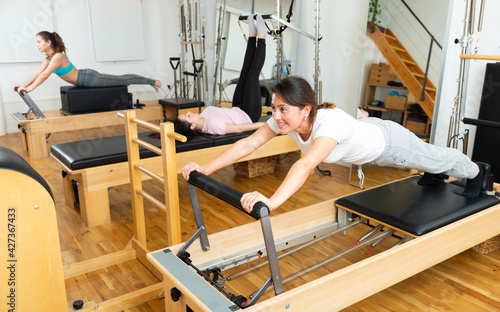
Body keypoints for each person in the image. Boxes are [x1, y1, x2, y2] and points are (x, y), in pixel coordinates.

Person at [182, 76, 485, 213]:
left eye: (282, 109)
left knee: (433, 157)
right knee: (429, 163)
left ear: (306, 109)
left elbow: (304, 165)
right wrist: (204, 169)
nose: (275, 116)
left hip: (389, 144)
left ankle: (477, 171)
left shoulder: (329, 124)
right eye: (273, 108)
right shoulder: (285, 120)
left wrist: (272, 202)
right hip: (367, 133)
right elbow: (246, 146)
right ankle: (437, 171)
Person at [174, 14, 268, 136]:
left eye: (186, 114)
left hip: (237, 108)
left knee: (244, 72)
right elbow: (240, 129)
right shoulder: (212, 126)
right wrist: (265, 124)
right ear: (192, 126)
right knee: (252, 75)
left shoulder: (202, 117)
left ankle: (252, 35)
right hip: (249, 115)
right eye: (188, 116)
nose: (189, 113)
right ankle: (262, 36)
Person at [13, 31, 168, 95]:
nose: (37, 45)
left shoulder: (57, 57)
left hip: (89, 79)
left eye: (39, 42)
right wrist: (24, 86)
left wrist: (29, 90)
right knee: (122, 79)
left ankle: (155, 81)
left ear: (48, 43)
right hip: (84, 79)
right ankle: (153, 82)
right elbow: (37, 73)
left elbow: (45, 75)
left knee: (124, 80)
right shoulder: (48, 58)